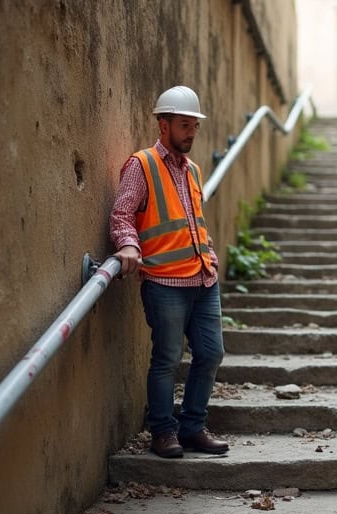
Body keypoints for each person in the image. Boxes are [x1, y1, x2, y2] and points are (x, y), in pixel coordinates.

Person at [109, 85, 229, 458]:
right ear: (163, 125)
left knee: (211, 353)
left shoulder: (192, 170)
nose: (191, 132)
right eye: (183, 125)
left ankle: (193, 427)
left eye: (194, 125)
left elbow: (191, 219)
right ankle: (163, 432)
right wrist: (128, 244)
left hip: (202, 278)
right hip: (164, 281)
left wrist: (207, 248)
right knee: (166, 359)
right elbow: (122, 213)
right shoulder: (141, 164)